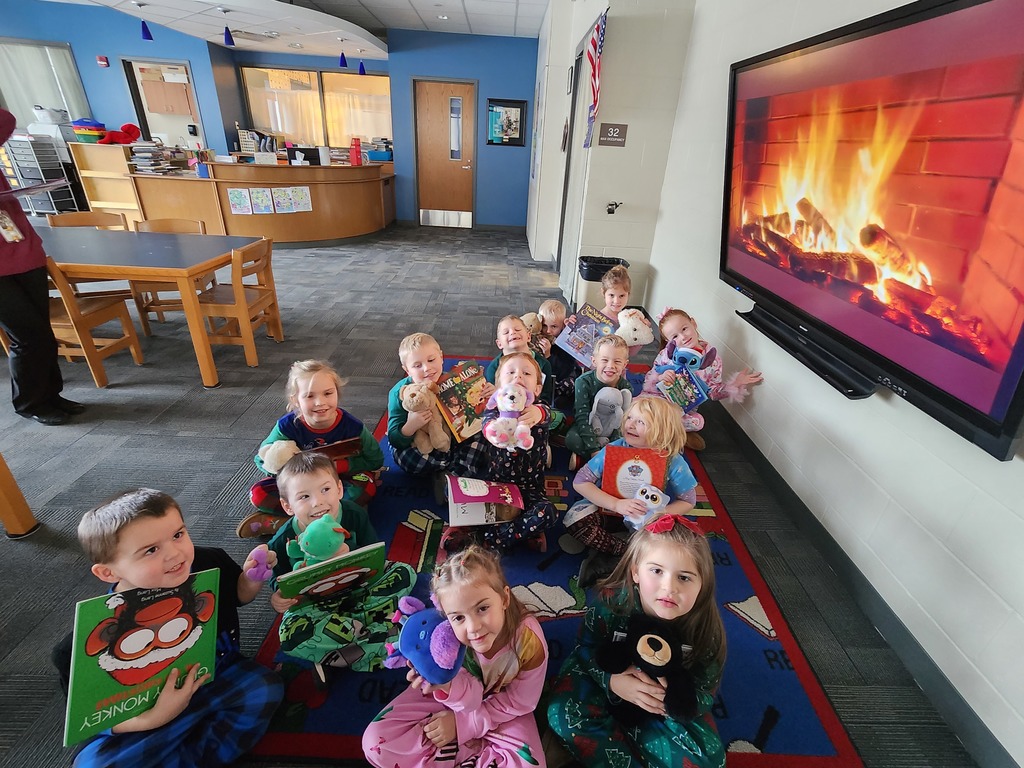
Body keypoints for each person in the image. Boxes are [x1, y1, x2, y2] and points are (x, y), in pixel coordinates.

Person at [52, 488, 283, 768]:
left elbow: (238, 596)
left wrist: (251, 579)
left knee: (264, 688)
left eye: (178, 535)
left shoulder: (208, 562)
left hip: (213, 677)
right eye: (151, 550)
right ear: (108, 572)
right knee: (95, 764)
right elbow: (90, 717)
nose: (175, 554)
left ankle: (191, 753)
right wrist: (151, 719)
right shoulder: (78, 647)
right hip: (144, 713)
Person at [546, 514, 727, 768]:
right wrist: (611, 681)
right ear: (635, 572)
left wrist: (669, 702)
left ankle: (622, 738)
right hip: (608, 680)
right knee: (561, 713)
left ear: (702, 584)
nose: (669, 588)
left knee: (711, 761)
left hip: (661, 704)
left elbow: (705, 690)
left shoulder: (706, 630)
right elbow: (585, 648)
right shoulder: (611, 604)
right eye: (657, 571)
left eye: (684, 577)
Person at [362, 545, 548, 768]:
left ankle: (460, 753)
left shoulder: (528, 640)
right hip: (452, 696)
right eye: (458, 617)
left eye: (482, 608)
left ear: (504, 598)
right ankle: (475, 754)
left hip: (502, 708)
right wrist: (442, 683)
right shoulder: (442, 640)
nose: (473, 627)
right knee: (376, 743)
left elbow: (521, 701)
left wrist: (463, 726)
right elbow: (468, 697)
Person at [267, 452, 415, 677]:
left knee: (405, 572)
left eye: (325, 490)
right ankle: (384, 633)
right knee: (290, 636)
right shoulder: (281, 540)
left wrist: (352, 556)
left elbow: (374, 554)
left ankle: (343, 647)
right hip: (315, 606)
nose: (318, 502)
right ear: (288, 506)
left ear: (339, 489)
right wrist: (278, 598)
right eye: (304, 496)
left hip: (361, 591)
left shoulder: (354, 514)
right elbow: (278, 581)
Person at [0, 108, 84, 426]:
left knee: (43, 334)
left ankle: (51, 395)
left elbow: (5, 121)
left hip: (24, 254)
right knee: (27, 337)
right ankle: (30, 403)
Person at [241, 359, 383, 537]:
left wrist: (340, 466)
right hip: (301, 486)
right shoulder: (287, 426)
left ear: (337, 393)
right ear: (295, 400)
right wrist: (293, 472)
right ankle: (328, 523)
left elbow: (375, 460)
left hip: (339, 480)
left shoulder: (353, 427)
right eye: (309, 396)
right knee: (258, 494)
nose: (320, 402)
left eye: (328, 393)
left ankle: (289, 524)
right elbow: (262, 459)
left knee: (366, 488)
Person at [565, 396, 697, 580]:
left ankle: (618, 557)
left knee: (683, 543)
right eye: (629, 418)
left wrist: (660, 514)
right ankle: (626, 552)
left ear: (662, 430)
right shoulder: (613, 449)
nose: (631, 425)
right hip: (609, 511)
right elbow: (580, 482)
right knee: (574, 520)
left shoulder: (672, 460)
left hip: (646, 520)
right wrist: (616, 504)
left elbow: (688, 501)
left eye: (641, 422)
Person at [446, 352, 559, 553]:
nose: (518, 376)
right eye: (511, 373)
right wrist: (495, 432)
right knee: (455, 493)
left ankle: (490, 538)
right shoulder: (493, 411)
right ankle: (512, 531)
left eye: (526, 373)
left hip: (529, 489)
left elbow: (548, 415)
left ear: (537, 389)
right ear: (498, 388)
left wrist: (538, 412)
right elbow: (487, 426)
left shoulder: (539, 409)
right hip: (494, 485)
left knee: (548, 512)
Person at [641, 307, 763, 450]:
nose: (683, 337)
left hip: (682, 410)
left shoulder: (713, 360)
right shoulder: (666, 354)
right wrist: (661, 376)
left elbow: (713, 392)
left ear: (693, 323)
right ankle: (670, 431)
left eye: (684, 329)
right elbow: (650, 376)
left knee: (698, 422)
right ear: (669, 341)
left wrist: (734, 384)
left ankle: (658, 428)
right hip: (657, 399)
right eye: (675, 337)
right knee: (640, 407)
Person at [387, 332, 491, 478]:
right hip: (421, 444)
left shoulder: (453, 380)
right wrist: (411, 426)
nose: (426, 368)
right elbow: (394, 438)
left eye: (431, 360)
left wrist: (489, 393)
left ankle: (451, 474)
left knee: (483, 430)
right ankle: (458, 466)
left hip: (451, 437)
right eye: (417, 365)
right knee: (407, 459)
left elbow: (476, 412)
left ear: (441, 357)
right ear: (407, 370)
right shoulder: (400, 393)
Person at [565, 334, 632, 467]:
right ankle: (601, 459)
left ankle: (590, 460)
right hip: (588, 426)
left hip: (611, 431)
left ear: (625, 364)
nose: (610, 366)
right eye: (604, 360)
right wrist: (593, 449)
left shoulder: (626, 387)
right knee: (572, 439)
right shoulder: (583, 382)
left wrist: (614, 445)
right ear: (594, 361)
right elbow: (582, 416)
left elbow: (622, 420)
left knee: (633, 441)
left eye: (617, 362)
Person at [483, 315, 555, 405]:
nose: (512, 332)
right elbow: (490, 401)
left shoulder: (543, 364)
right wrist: (494, 393)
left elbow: (545, 399)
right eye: (506, 332)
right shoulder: (494, 367)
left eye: (517, 330)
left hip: (532, 409)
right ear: (499, 343)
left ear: (528, 336)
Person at [537, 299, 578, 409]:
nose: (548, 331)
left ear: (562, 326)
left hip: (561, 374)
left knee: (569, 385)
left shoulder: (565, 342)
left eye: (554, 326)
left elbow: (564, 369)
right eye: (544, 326)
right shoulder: (538, 338)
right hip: (542, 376)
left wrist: (548, 356)